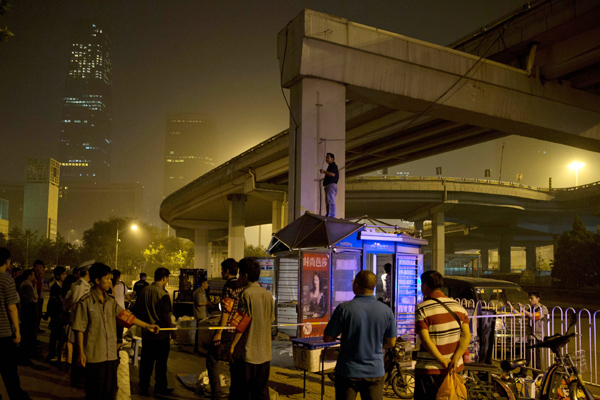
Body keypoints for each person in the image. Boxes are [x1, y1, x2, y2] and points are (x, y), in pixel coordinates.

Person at [72, 263, 159, 400]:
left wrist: (147, 325)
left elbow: (126, 316)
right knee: (94, 393)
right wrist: (81, 352)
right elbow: (79, 329)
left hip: (111, 356)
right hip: (94, 356)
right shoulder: (86, 302)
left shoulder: (111, 302)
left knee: (110, 392)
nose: (109, 282)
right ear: (97, 280)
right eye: (106, 279)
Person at [324, 270, 397, 400]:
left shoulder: (344, 309)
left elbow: (328, 337)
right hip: (375, 370)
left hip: (348, 371)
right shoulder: (386, 311)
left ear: (356, 285)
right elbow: (391, 343)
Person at [415, 271, 471, 400]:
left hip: (429, 370)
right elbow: (466, 336)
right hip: (454, 368)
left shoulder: (422, 309)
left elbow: (425, 340)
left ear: (425, 286)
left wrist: (442, 360)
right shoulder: (459, 308)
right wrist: (455, 358)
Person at [230, 257, 275, 400]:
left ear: (245, 276)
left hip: (247, 355)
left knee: (242, 393)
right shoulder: (268, 295)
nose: (239, 278)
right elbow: (271, 319)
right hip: (265, 355)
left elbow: (241, 324)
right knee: (261, 393)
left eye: (240, 275)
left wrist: (232, 346)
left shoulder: (245, 295)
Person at [206, 258, 248, 400]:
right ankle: (235, 394)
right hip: (238, 331)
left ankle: (216, 394)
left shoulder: (228, 287)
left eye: (222, 270)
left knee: (211, 360)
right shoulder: (242, 285)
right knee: (233, 363)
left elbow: (226, 311)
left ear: (227, 271)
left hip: (227, 331)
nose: (221, 272)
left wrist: (218, 332)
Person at [135, 267, 174, 396]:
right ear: (164, 278)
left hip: (147, 333)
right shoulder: (163, 294)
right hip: (161, 334)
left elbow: (137, 311)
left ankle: (144, 387)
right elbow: (166, 316)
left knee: (146, 362)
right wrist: (172, 331)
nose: (167, 281)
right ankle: (160, 388)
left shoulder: (144, 291)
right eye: (167, 278)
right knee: (161, 364)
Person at [0, 247, 33, 400]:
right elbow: (12, 308)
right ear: (6, 262)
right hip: (4, 334)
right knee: (9, 373)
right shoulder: (7, 280)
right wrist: (18, 332)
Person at [65, 262, 92, 388]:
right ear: (87, 272)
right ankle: (77, 379)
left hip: (84, 324)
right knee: (78, 351)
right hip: (79, 324)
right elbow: (75, 305)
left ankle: (80, 378)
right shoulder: (80, 286)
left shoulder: (85, 285)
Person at [509, 292, 548, 370]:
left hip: (538, 336)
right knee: (527, 354)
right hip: (530, 335)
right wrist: (513, 309)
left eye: (532, 298)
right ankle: (523, 372)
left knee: (535, 357)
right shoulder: (531, 308)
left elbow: (533, 316)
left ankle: (535, 373)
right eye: (529, 298)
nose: (530, 300)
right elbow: (522, 314)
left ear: (538, 299)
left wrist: (523, 309)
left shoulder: (542, 308)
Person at [16, 268, 39, 363]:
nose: (34, 277)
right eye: (33, 275)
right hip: (29, 308)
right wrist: (36, 285)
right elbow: (36, 296)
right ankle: (27, 354)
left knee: (27, 331)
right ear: (29, 275)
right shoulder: (27, 285)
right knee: (29, 331)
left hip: (27, 308)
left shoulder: (24, 284)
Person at [47, 266, 67, 362]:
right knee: (54, 335)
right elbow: (53, 302)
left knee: (57, 335)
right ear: (58, 276)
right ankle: (51, 354)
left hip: (59, 314)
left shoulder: (61, 286)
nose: (65, 276)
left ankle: (55, 353)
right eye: (63, 274)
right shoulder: (55, 287)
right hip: (56, 314)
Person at [111, 269, 131, 345]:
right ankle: (117, 353)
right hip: (121, 312)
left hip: (111, 312)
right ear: (118, 277)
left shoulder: (109, 285)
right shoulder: (122, 285)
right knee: (119, 334)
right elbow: (128, 298)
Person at [193, 277, 212, 353]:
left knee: (201, 333)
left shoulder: (204, 292)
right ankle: (197, 349)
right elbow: (199, 303)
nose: (208, 284)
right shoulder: (199, 292)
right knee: (199, 333)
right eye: (206, 283)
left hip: (204, 314)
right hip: (200, 314)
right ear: (202, 283)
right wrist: (208, 303)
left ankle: (199, 348)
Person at [319, 152, 339, 218]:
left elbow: (332, 174)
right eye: (326, 158)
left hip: (331, 185)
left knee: (330, 201)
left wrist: (324, 171)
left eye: (328, 158)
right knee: (328, 201)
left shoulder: (333, 165)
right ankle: (329, 214)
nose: (326, 159)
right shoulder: (330, 166)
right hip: (329, 186)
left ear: (332, 158)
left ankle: (332, 215)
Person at [33, 260, 46, 333]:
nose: (40, 269)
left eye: (41, 267)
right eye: (38, 267)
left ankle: (37, 328)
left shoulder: (41, 277)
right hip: (36, 299)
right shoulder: (34, 277)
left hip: (40, 298)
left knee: (39, 314)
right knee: (36, 315)